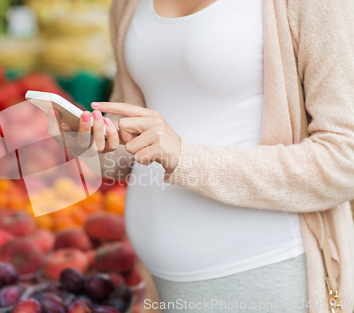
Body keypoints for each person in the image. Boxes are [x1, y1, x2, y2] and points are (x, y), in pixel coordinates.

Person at [50, 0, 354, 311]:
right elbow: (132, 150)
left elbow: (345, 159)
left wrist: (185, 156)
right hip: (159, 280)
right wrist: (91, 142)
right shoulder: (127, 6)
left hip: (262, 269)